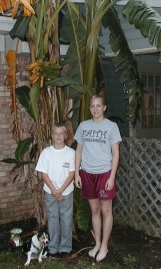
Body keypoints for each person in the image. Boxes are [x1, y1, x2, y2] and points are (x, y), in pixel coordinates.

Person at [74, 95, 122, 262]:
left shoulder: (111, 126)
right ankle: (97, 243)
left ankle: (104, 246)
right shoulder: (83, 126)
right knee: (94, 211)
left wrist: (111, 176)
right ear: (90, 109)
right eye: (92, 106)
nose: (95, 109)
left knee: (106, 211)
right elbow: (79, 151)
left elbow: (116, 153)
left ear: (104, 107)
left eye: (98, 106)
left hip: (104, 174)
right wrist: (76, 173)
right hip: (87, 173)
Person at [35, 122, 76, 258]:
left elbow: (72, 174)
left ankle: (65, 247)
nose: (58, 136)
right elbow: (43, 174)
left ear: (66, 135)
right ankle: (53, 248)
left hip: (67, 192)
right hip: (50, 192)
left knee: (66, 219)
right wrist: (54, 191)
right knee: (53, 219)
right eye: (55, 133)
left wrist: (61, 190)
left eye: (61, 133)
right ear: (52, 135)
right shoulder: (46, 153)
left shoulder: (71, 153)